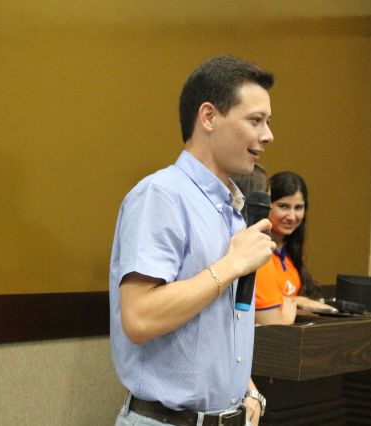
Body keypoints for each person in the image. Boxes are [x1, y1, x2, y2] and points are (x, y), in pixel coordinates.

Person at [109, 55, 276, 426]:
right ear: (209, 117)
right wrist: (232, 265)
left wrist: (247, 389)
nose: (267, 135)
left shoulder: (233, 209)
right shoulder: (161, 196)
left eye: (268, 122)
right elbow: (138, 318)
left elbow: (212, 329)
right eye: (255, 120)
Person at [254, 171, 332, 325]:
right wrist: (297, 300)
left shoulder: (293, 250)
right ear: (267, 205)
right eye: (283, 206)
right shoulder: (256, 248)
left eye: (298, 208)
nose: (292, 216)